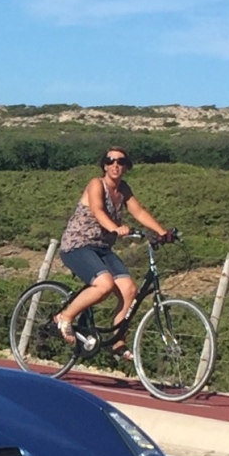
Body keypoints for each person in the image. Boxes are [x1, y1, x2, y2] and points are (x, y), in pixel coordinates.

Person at [55, 147, 174, 360]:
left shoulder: (123, 190)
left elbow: (138, 211)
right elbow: (98, 209)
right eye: (110, 161)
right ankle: (65, 317)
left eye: (120, 161)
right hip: (78, 245)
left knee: (129, 290)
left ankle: (118, 342)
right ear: (104, 165)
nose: (115, 165)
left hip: (102, 248)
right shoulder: (96, 184)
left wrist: (162, 232)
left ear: (127, 166)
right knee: (105, 284)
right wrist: (114, 228)